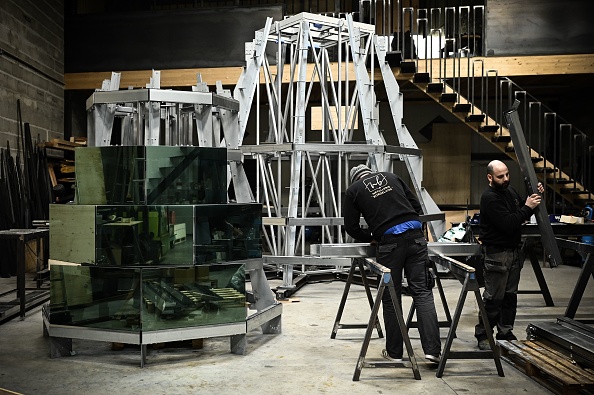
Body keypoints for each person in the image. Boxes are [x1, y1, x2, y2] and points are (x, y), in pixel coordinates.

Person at [343, 164, 441, 363]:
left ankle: (395, 353)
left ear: (355, 179)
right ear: (370, 172)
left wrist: (370, 237)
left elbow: (351, 227)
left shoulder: (353, 190)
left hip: (389, 243)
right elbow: (417, 206)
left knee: (391, 296)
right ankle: (433, 351)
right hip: (415, 237)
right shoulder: (392, 177)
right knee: (422, 293)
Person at [475, 160, 544, 350]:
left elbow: (522, 209)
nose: (505, 179)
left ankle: (505, 331)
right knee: (493, 298)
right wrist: (528, 207)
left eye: (507, 174)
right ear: (490, 177)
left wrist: (536, 196)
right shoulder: (489, 198)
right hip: (497, 255)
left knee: (510, 297)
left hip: (513, 253)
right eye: (500, 176)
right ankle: (484, 335)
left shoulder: (510, 191)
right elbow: (509, 223)